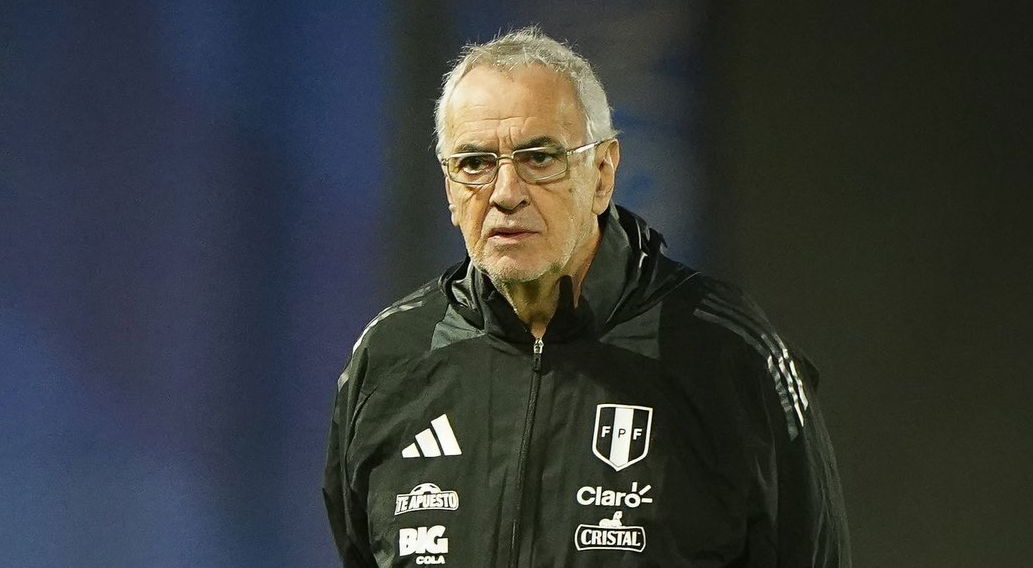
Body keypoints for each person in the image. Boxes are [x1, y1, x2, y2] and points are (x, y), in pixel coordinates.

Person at [324, 27, 850, 567]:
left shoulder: (728, 355)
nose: (505, 193)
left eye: (539, 158)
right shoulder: (390, 359)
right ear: (450, 191)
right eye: (475, 163)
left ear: (602, 174)